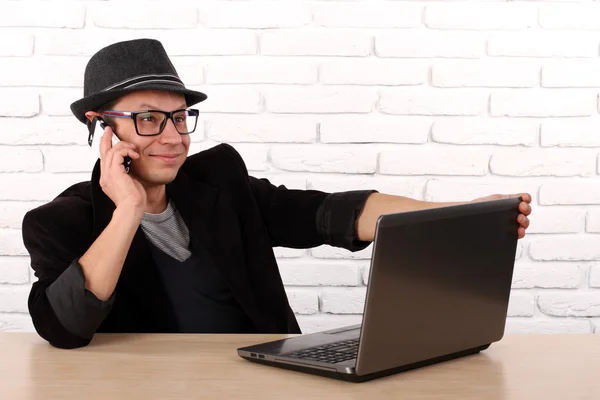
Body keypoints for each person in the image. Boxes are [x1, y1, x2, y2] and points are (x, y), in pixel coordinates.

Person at [21, 39, 532, 349]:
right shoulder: (58, 223)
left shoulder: (218, 177)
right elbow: (65, 328)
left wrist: (455, 215)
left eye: (179, 117)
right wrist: (128, 210)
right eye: (149, 119)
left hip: (259, 379)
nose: (175, 137)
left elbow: (327, 213)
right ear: (101, 128)